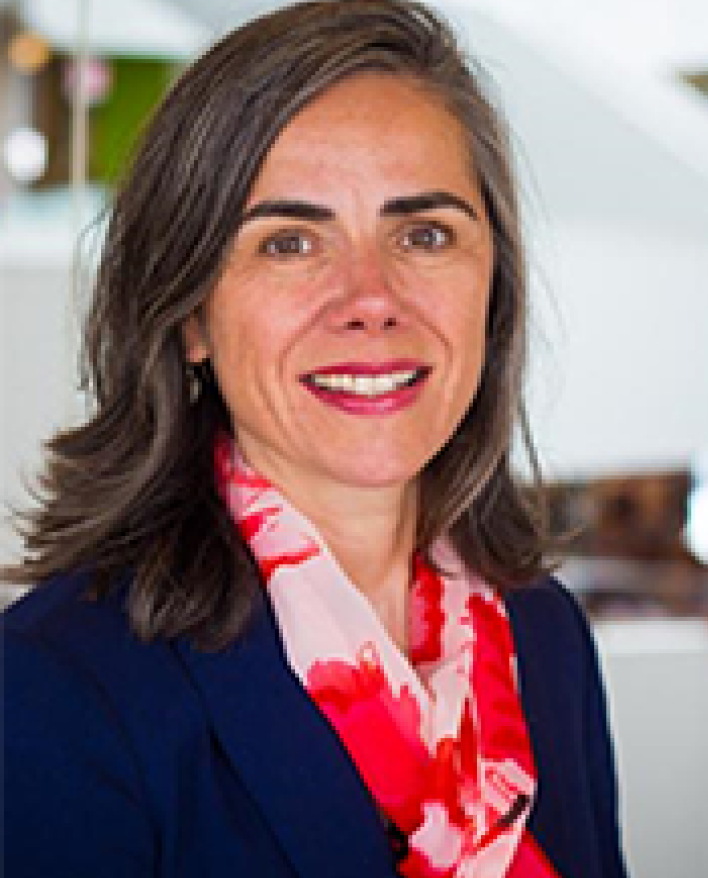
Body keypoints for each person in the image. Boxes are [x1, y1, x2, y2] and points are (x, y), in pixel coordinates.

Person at [0, 1, 628, 876]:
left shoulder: (546, 636)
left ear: (495, 290)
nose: (371, 299)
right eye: (290, 243)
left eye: (424, 234)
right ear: (191, 315)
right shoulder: (54, 690)